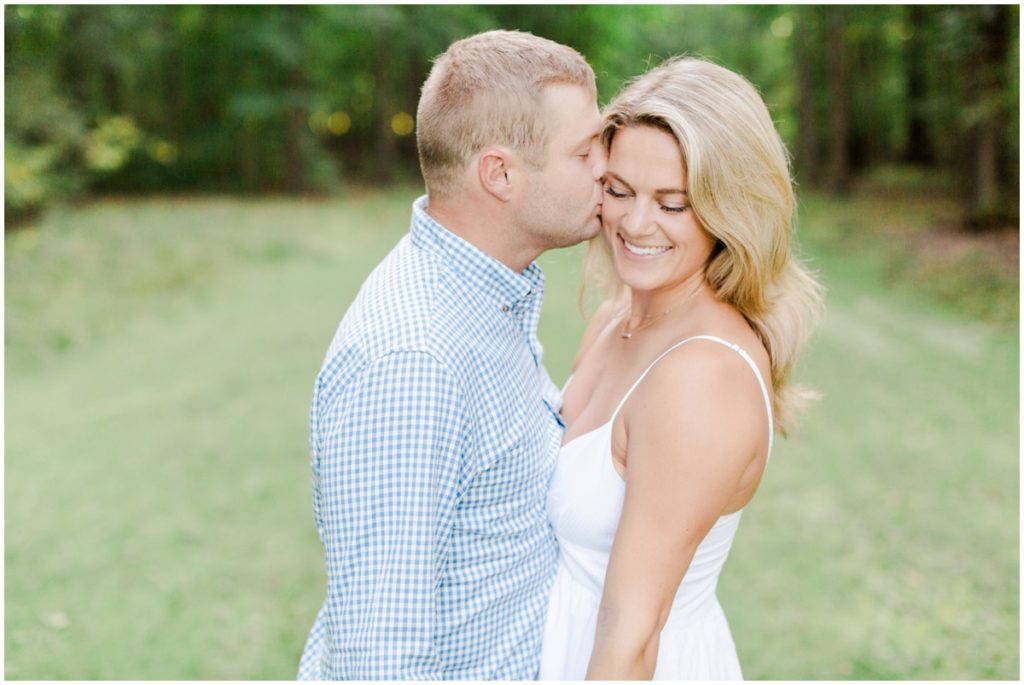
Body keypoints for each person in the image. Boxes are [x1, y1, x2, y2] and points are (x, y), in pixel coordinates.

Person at [297, 30, 607, 680]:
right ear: (500, 173)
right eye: (584, 151)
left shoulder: (488, 297)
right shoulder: (415, 359)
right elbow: (379, 661)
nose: (606, 168)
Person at [538, 57, 824, 680]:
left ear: (730, 210)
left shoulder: (700, 379)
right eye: (618, 190)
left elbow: (631, 639)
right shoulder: (618, 317)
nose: (635, 225)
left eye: (673, 204)